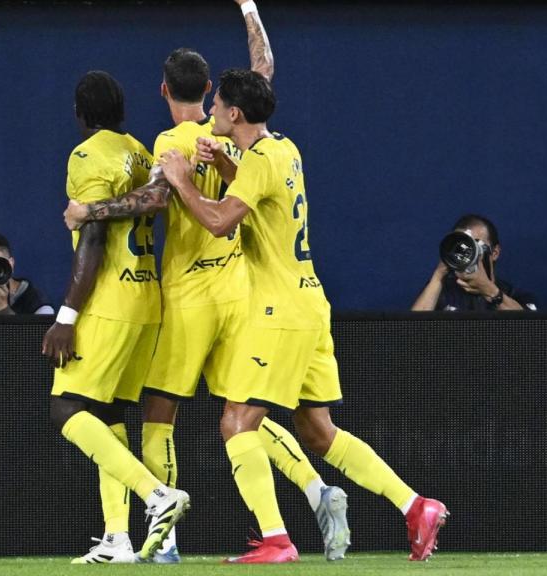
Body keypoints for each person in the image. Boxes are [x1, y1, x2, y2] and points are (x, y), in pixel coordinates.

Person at [63, 0, 350, 563]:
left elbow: (151, 198)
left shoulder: (170, 144)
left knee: (159, 412)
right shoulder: (237, 133)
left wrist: (85, 212)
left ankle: (163, 540)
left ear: (164, 91)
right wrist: (248, 9)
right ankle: (315, 490)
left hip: (191, 294)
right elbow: (263, 67)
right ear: (214, 91)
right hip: (241, 293)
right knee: (246, 410)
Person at [159, 68, 448, 563]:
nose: (210, 113)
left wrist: (182, 180)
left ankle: (276, 539)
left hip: (279, 310)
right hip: (310, 303)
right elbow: (260, 194)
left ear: (235, 113)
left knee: (236, 422)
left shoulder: (261, 159)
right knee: (318, 431)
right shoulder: (282, 150)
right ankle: (415, 505)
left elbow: (219, 221)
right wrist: (226, 167)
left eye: (218, 105)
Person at [42, 70, 190, 565]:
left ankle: (156, 496)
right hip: (148, 301)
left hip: (107, 302)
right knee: (107, 416)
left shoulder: (87, 155)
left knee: (67, 409)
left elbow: (93, 237)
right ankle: (117, 538)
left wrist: (66, 315)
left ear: (79, 113)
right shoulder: (142, 151)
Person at [411, 214, 538, 311]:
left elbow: (532, 333)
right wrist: (438, 275)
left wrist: (489, 290)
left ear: (495, 253)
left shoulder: (514, 295)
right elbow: (411, 334)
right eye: (462, 246)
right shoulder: (443, 291)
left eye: (475, 244)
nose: (468, 252)